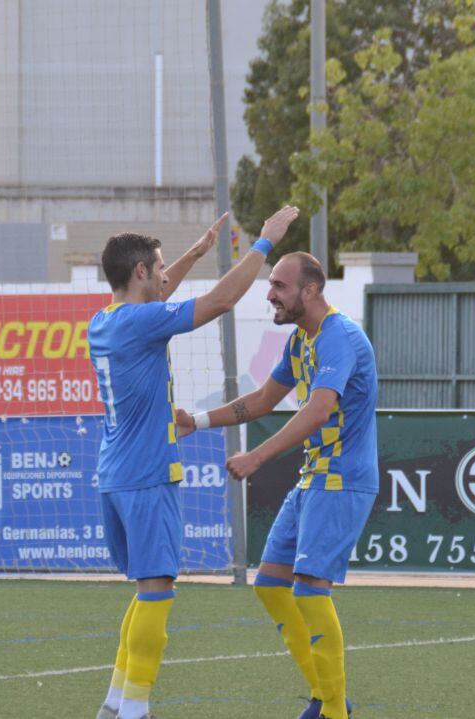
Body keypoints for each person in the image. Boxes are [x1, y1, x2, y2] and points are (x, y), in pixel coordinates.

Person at [90, 206, 300, 719]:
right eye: (159, 267)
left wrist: (193, 254)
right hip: (147, 474)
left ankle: (116, 701)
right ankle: (135, 708)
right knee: (157, 590)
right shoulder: (142, 322)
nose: (166, 276)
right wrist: (265, 242)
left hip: (116, 474)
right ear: (141, 270)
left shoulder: (105, 320)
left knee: (147, 589)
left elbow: (156, 296)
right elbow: (221, 301)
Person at [178, 251, 377, 719]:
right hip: (314, 478)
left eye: (279, 286)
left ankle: (333, 711)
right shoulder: (299, 341)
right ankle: (327, 695)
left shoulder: (340, 336)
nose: (270, 294)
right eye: (271, 285)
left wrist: (258, 456)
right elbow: (264, 399)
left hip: (342, 480)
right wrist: (198, 420)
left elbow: (318, 410)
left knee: (309, 589)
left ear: (311, 290)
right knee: (270, 584)